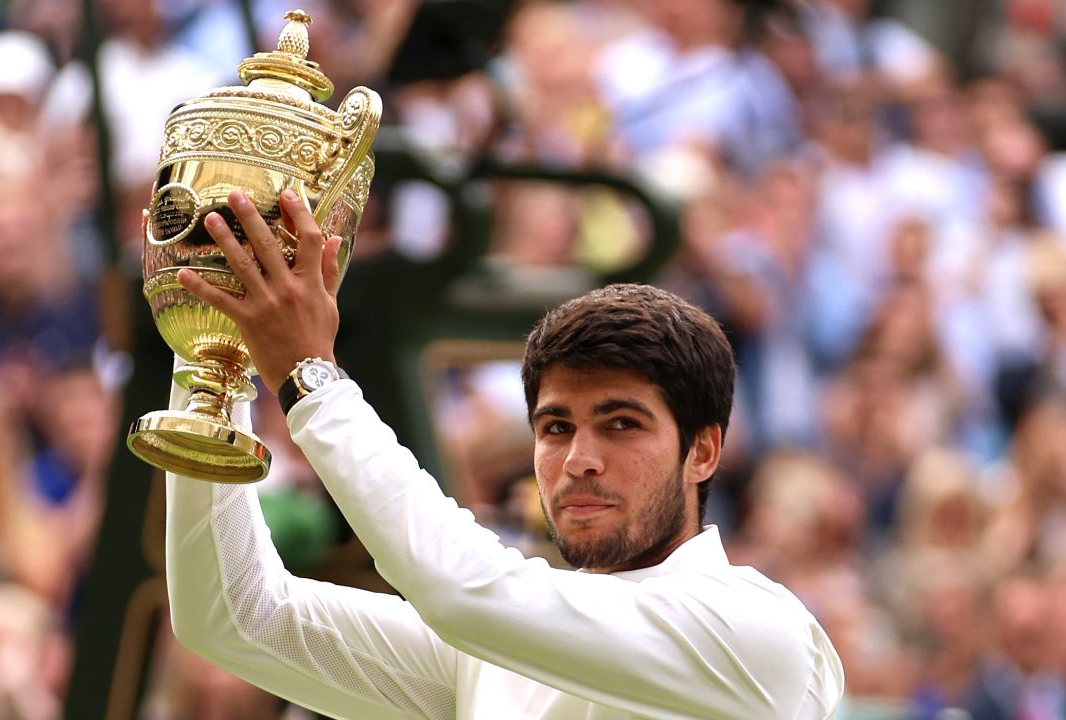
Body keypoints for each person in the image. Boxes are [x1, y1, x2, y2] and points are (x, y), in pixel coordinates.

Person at [164, 188, 844, 719]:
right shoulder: (500, 650)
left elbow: (463, 593)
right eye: (555, 428)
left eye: (622, 424)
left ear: (703, 451)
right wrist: (209, 346)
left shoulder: (759, 631)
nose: (579, 458)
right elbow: (235, 616)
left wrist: (310, 376)